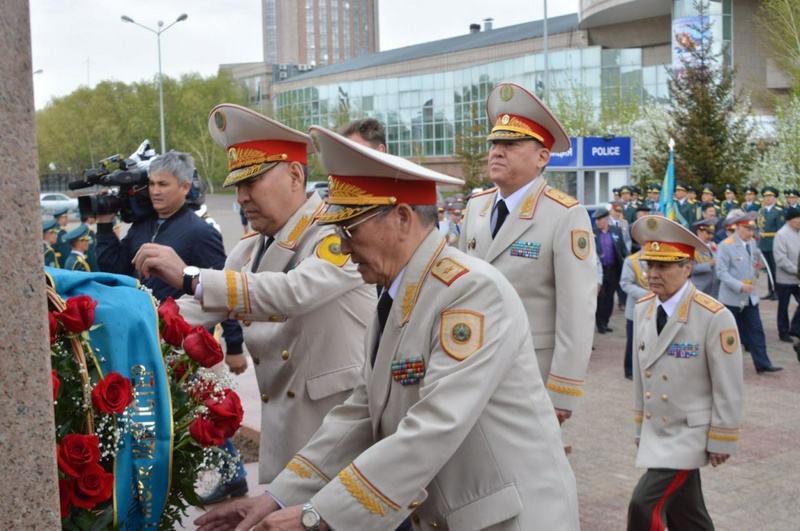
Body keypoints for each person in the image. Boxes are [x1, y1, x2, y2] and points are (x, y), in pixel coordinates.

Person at [195, 123, 580, 531]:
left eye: (350, 228)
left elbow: (433, 425)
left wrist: (319, 516)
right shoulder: (397, 293)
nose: (341, 246)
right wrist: (276, 497)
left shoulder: (470, 292)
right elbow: (360, 415)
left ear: (401, 219)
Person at [132, 105, 376, 491]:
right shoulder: (250, 248)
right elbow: (204, 305)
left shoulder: (334, 233)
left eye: (253, 182)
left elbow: (290, 293)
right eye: (238, 186)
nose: (243, 197)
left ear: (295, 175)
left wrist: (191, 275)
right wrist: (131, 322)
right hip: (286, 431)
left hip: (338, 432)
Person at [95, 150, 248, 502]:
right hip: (145, 338)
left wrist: (236, 346)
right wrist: (105, 227)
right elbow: (117, 270)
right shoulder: (142, 228)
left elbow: (226, 289)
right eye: (151, 184)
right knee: (158, 412)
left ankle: (233, 476)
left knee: (197, 410)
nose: (155, 191)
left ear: (184, 186)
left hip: (187, 346)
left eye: (163, 184)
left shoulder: (199, 231)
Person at [458, 82, 597, 423]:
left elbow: (577, 309)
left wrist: (563, 389)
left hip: (531, 370)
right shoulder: (475, 207)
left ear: (542, 157)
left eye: (511, 143)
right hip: (473, 362)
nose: (497, 151)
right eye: (494, 143)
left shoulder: (564, 215)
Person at [627, 215, 743, 531]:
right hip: (658, 433)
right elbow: (641, 375)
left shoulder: (713, 316)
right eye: (649, 265)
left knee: (643, 504)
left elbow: (728, 384)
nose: (652, 273)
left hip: (688, 435)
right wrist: (640, 426)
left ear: (687, 268)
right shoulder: (643, 309)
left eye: (663, 266)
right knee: (688, 517)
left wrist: (723, 436)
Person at [716, 210, 783, 373]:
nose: (750, 233)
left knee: (756, 330)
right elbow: (721, 272)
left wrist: (756, 270)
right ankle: (723, 366)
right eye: (747, 229)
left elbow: (754, 262)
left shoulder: (752, 243)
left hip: (750, 296)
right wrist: (739, 286)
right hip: (732, 297)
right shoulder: (726, 245)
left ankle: (762, 363)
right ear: (738, 228)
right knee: (728, 333)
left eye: (752, 230)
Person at [594, 207, 628, 333]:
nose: (597, 222)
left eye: (599, 219)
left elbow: (622, 248)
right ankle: (600, 324)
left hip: (613, 269)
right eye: (596, 220)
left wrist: (628, 258)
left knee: (609, 298)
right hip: (599, 270)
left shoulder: (615, 231)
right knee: (601, 297)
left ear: (606, 219)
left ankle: (606, 322)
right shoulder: (593, 233)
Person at [620, 249, 648, 380]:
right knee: (633, 340)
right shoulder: (632, 260)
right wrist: (648, 295)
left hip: (656, 309)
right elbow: (625, 284)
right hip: (636, 309)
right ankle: (630, 369)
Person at [773, 208, 800, 342]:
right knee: (783, 306)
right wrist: (796, 270)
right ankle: (783, 332)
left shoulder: (798, 232)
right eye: (797, 218)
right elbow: (780, 259)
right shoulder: (781, 234)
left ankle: (795, 328)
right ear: (790, 220)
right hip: (785, 278)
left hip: (798, 278)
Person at [758, 185, 785, 300]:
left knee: (775, 268)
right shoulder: (762, 211)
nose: (767, 199)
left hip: (773, 242)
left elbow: (781, 230)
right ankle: (771, 290)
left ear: (775, 198)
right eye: (765, 196)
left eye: (770, 196)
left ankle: (777, 291)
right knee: (768, 269)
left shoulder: (778, 211)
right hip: (764, 243)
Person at [691, 217, 718, 297]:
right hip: (699, 289)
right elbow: (691, 269)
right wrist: (709, 264)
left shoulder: (714, 246)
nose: (710, 236)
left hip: (714, 290)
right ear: (699, 232)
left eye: (712, 234)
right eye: (708, 233)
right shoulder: (693, 248)